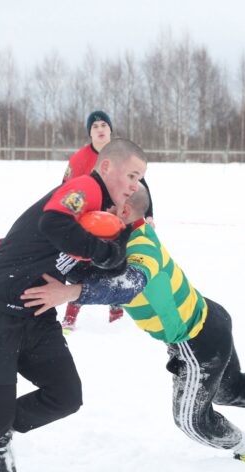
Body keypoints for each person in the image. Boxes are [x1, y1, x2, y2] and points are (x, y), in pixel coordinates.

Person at [18, 184, 245, 463]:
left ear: (122, 213)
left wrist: (70, 292)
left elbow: (128, 282)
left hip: (195, 342)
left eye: (108, 205)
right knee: (231, 390)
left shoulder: (140, 245)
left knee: (191, 421)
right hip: (210, 317)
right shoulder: (127, 235)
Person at [0, 139, 147, 472]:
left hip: (37, 315)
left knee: (66, 395)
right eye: (131, 175)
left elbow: (37, 244)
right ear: (107, 166)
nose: (134, 185)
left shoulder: (105, 222)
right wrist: (104, 253)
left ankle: (3, 430)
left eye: (140, 179)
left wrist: (111, 257)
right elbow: (52, 223)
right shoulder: (85, 187)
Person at [60, 110, 154, 333]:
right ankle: (70, 316)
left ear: (110, 129)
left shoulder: (123, 154)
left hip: (119, 220)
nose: (100, 129)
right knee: (83, 266)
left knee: (116, 264)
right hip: (90, 221)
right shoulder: (79, 159)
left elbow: (142, 187)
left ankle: (116, 314)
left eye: (104, 124)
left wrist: (148, 215)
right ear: (90, 133)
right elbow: (64, 189)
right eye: (95, 126)